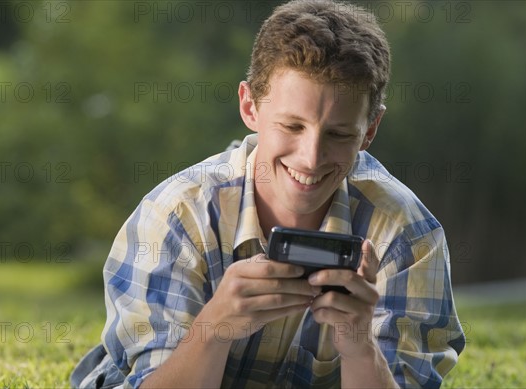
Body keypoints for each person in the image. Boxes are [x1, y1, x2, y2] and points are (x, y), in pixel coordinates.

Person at [71, 0, 465, 387]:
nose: (311, 159)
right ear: (249, 106)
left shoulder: (407, 236)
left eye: (339, 134)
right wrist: (214, 328)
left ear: (370, 130)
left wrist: (360, 347)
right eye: (292, 126)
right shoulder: (177, 216)